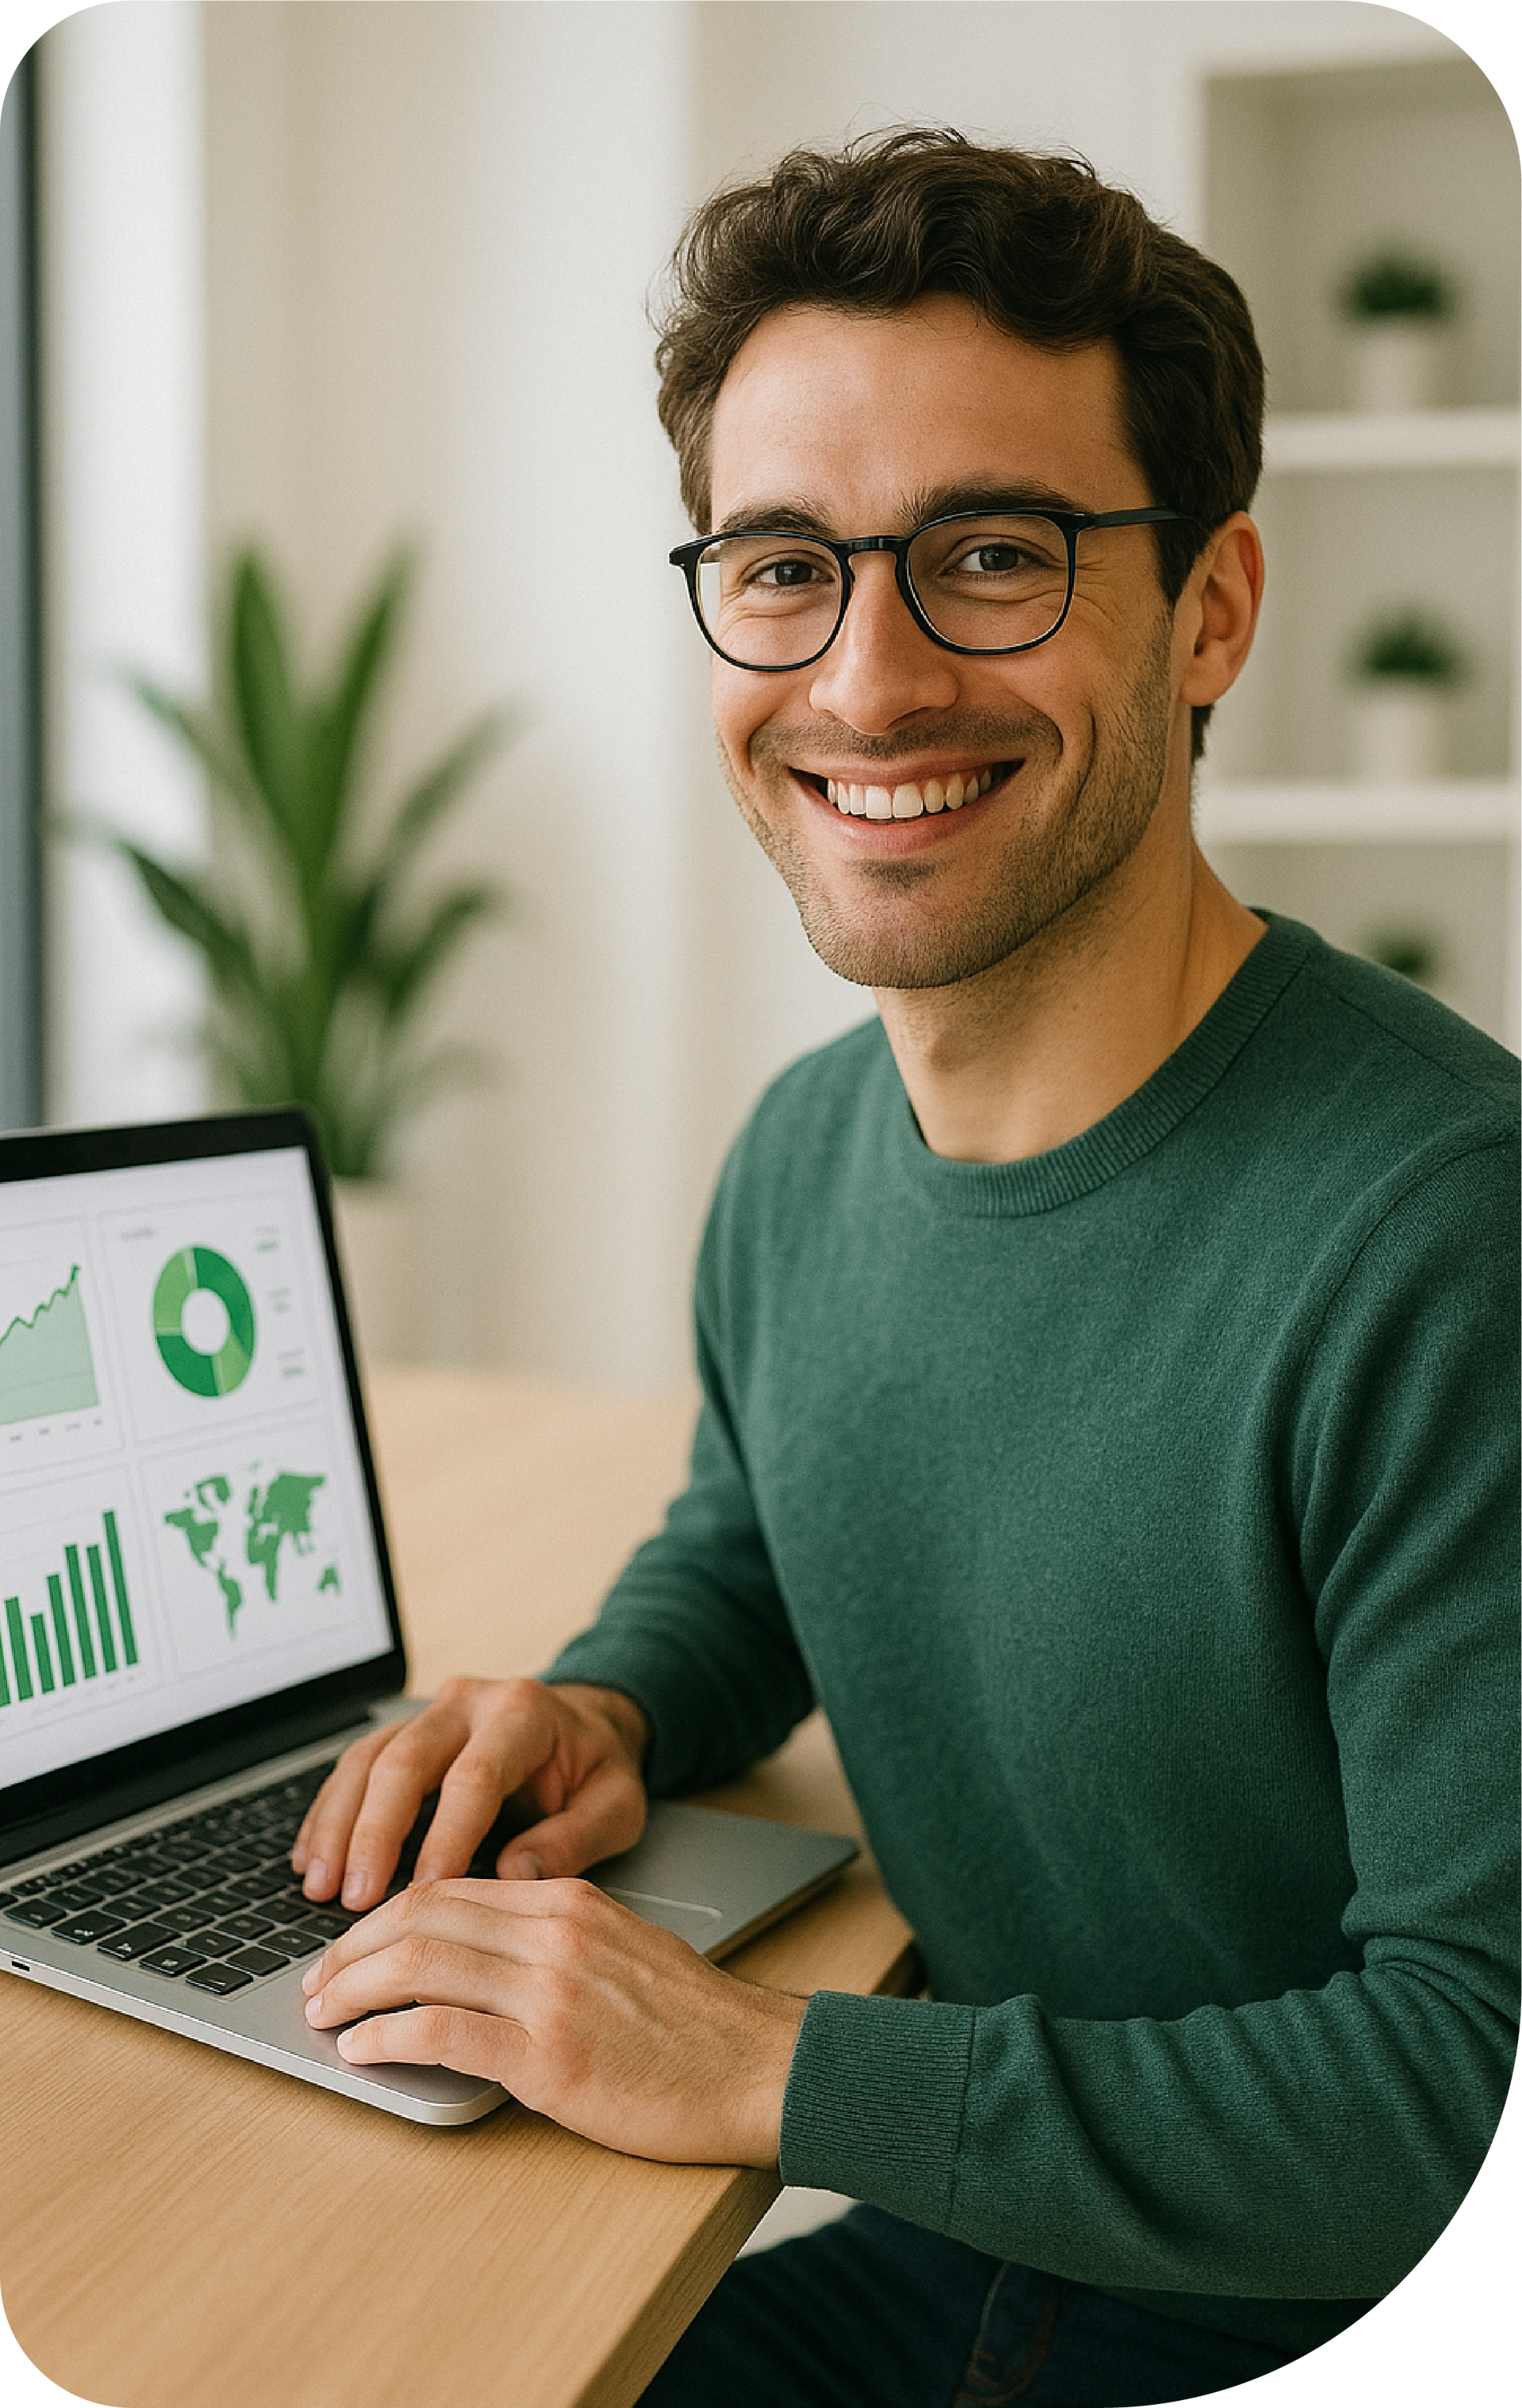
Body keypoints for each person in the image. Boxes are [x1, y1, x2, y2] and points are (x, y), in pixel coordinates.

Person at [289, 133, 1520, 2405]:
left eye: (991, 555)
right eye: (782, 565)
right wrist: (611, 1705)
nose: (865, 680)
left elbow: (1465, 2082)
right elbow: (765, 1536)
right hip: (982, 2258)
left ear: (1215, 606)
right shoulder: (801, 1160)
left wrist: (776, 2069)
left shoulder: (1448, 1236)